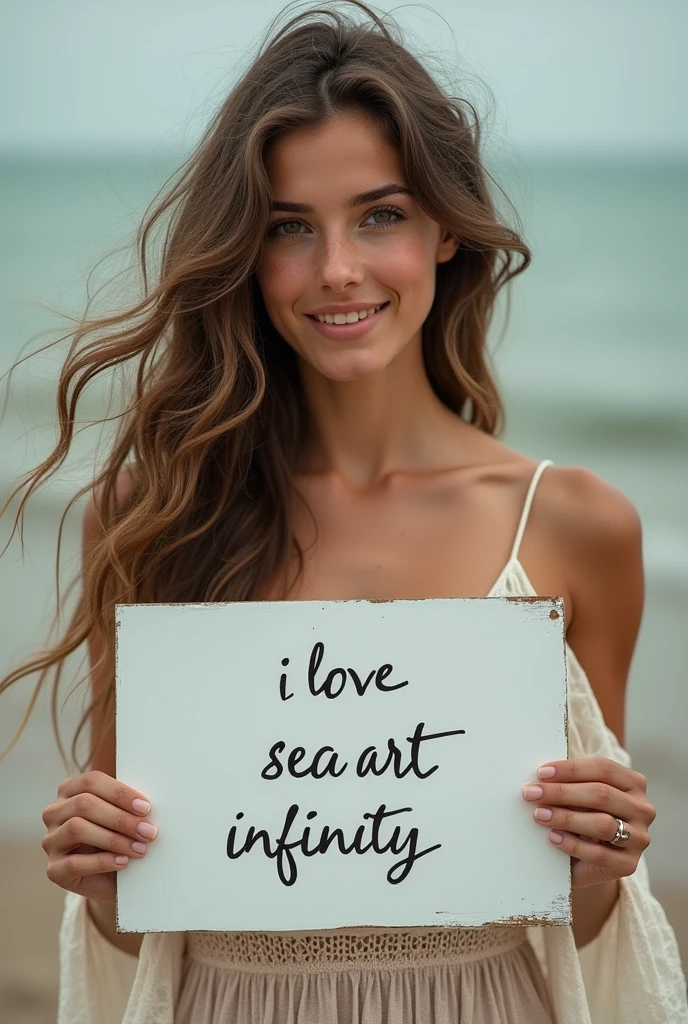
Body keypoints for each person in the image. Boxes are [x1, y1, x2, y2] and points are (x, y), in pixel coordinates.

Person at [1, 2, 686, 1022]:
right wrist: (99, 873)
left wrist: (606, 853)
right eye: (288, 227)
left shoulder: (575, 523)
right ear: (243, 250)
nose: (336, 269)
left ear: (446, 229)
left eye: (380, 214)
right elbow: (136, 924)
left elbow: (579, 917)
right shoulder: (153, 514)